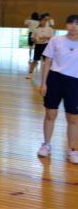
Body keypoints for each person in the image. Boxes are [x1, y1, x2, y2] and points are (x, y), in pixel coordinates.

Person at [37, 14, 78, 164]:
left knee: (72, 117)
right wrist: (43, 83)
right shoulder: (56, 40)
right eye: (70, 23)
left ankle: (72, 150)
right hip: (55, 79)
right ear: (66, 25)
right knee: (50, 113)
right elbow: (47, 62)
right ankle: (46, 145)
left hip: (74, 82)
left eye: (77, 24)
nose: (73, 26)